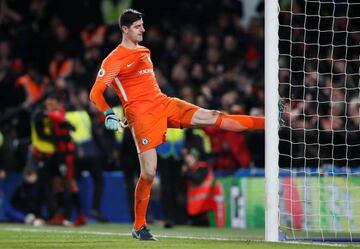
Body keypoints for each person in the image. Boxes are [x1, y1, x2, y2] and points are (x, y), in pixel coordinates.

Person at [89, 9, 265, 241]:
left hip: (163, 103)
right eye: (137, 26)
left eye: (143, 25)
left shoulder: (144, 51)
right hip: (141, 116)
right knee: (149, 172)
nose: (143, 29)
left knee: (212, 115)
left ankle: (268, 123)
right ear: (124, 29)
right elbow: (95, 92)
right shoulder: (114, 59)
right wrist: (109, 114)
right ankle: (139, 226)